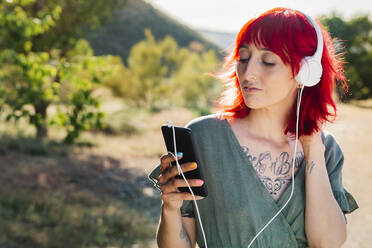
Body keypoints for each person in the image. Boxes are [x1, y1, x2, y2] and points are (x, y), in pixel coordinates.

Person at [148, 7, 359, 248]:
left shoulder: (327, 149)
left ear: (305, 73)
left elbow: (328, 243)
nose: (248, 74)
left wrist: (313, 150)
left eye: (268, 61)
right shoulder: (203, 137)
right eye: (244, 58)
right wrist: (171, 208)